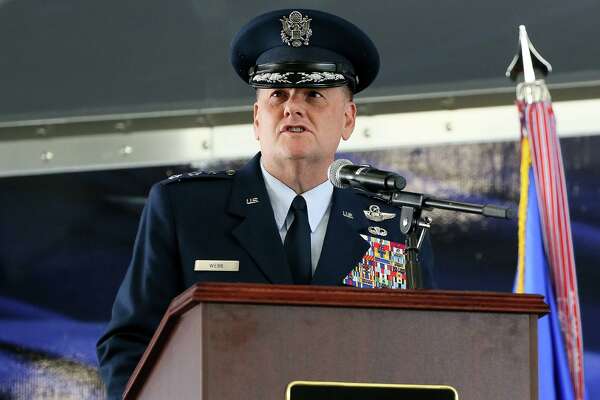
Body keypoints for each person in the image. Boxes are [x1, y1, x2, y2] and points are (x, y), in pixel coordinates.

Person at [96, 8, 434, 399]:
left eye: (314, 94)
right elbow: (129, 343)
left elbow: (422, 352)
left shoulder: (397, 225)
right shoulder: (184, 209)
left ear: (348, 118)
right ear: (257, 118)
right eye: (277, 94)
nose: (293, 107)